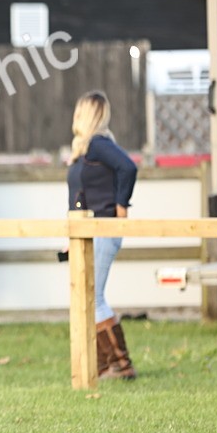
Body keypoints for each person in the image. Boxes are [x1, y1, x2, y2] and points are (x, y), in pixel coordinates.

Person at [67, 90, 138, 380]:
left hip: (102, 228)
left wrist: (121, 204)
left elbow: (128, 167)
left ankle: (120, 365)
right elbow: (77, 195)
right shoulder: (85, 150)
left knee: (93, 297)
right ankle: (104, 365)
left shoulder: (98, 144)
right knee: (86, 296)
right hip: (84, 230)